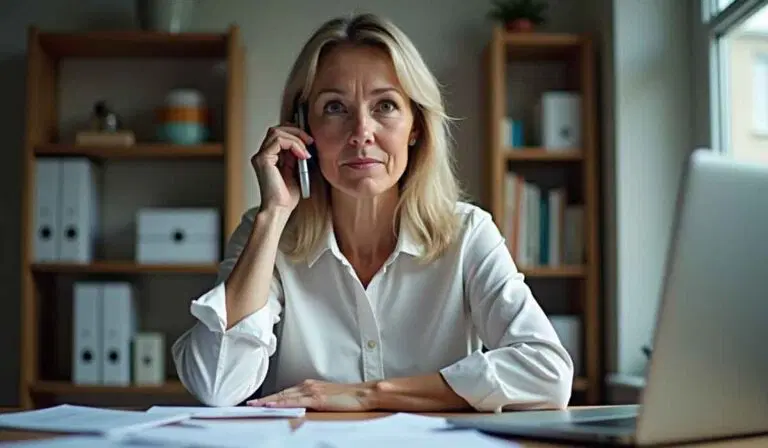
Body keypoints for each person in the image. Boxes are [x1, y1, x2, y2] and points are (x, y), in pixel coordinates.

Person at [172, 13, 574, 412]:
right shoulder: (267, 234)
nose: (361, 131)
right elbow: (217, 385)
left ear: (416, 126)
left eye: (384, 105)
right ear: (301, 128)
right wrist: (273, 215)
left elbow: (548, 373)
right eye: (334, 107)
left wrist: (368, 394)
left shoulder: (467, 233)